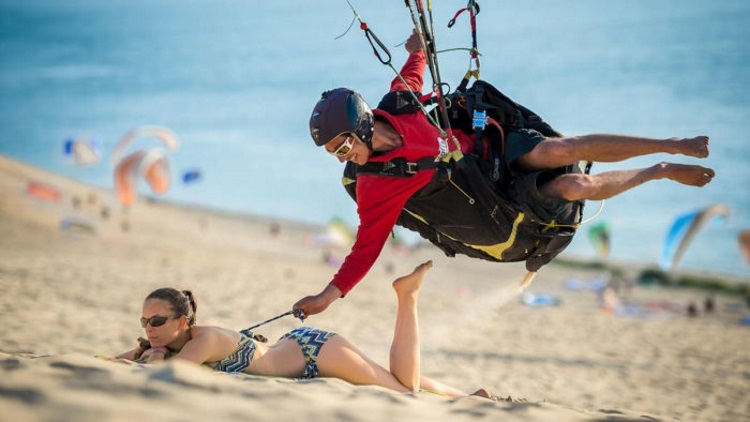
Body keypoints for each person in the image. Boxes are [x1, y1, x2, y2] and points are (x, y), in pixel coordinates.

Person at [294, 29, 715, 318]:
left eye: (343, 145)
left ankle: (671, 144)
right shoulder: (375, 186)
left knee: (564, 150)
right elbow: (364, 250)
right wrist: (327, 296)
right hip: (491, 200)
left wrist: (416, 45)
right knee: (575, 184)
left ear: (364, 123)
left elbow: (417, 60)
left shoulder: (401, 101)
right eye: (334, 152)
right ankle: (660, 170)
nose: (342, 157)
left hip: (493, 152)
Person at [113, 262, 492, 399]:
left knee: (402, 391)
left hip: (315, 353)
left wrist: (156, 353)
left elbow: (170, 373)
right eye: (145, 322)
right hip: (297, 348)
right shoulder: (171, 340)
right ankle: (466, 397)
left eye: (157, 321)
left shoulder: (204, 339)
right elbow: (116, 362)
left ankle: (406, 297)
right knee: (388, 376)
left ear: (182, 322)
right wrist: (142, 351)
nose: (150, 329)